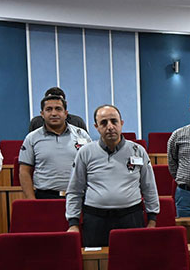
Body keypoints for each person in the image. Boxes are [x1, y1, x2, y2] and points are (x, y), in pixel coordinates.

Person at [65, 105, 159, 247]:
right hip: (95, 221)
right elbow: (75, 190)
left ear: (121, 123)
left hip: (130, 218)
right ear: (96, 127)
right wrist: (73, 222)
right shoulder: (85, 152)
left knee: (132, 261)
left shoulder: (138, 151)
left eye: (114, 121)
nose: (110, 127)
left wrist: (152, 220)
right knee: (98, 266)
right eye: (103, 123)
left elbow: (149, 187)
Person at [20, 92, 92, 199]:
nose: (54, 113)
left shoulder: (82, 134)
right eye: (49, 109)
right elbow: (24, 171)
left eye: (58, 109)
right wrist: (32, 201)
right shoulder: (31, 138)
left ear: (66, 113)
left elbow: (93, 166)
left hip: (79, 197)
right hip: (45, 197)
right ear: (42, 114)